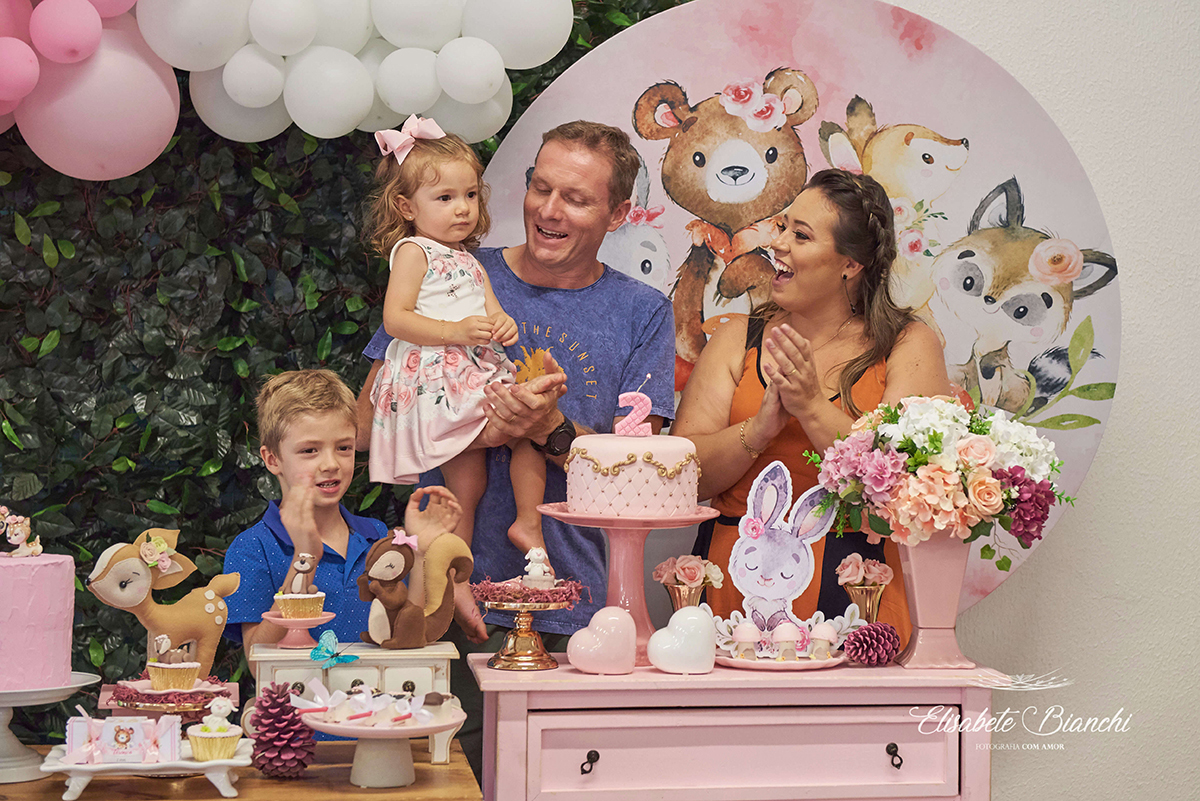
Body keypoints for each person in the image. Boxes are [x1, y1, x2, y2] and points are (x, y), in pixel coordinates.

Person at [358, 120, 676, 780]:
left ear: (619, 213)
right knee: (439, 782)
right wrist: (477, 426)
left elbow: (641, 476)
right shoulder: (453, 272)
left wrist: (549, 426)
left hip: (579, 607)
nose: (549, 211)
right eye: (539, 187)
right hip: (439, 603)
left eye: (576, 199)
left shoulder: (641, 311)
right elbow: (365, 426)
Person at [673, 169, 952, 647]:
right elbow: (682, 478)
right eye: (782, 227)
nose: (777, 244)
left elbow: (908, 491)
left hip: (856, 589)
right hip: (733, 588)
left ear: (850, 264)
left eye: (800, 235)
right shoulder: (739, 339)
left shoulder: (907, 343)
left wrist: (809, 408)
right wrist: (759, 430)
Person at [364, 114, 549, 563]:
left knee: (471, 480)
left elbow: (492, 310)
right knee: (520, 428)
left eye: (469, 195)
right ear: (407, 207)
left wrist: (502, 324)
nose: (463, 208)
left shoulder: (467, 257)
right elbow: (396, 320)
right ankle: (512, 531)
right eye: (445, 198)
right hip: (437, 380)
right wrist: (454, 332)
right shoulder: (414, 251)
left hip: (472, 372)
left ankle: (464, 560)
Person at [222, 369, 462, 649]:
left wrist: (421, 552)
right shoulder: (252, 548)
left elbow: (405, 632)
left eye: (344, 448)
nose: (331, 464)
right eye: (310, 450)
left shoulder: (377, 535)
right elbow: (256, 660)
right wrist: (305, 559)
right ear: (272, 459)